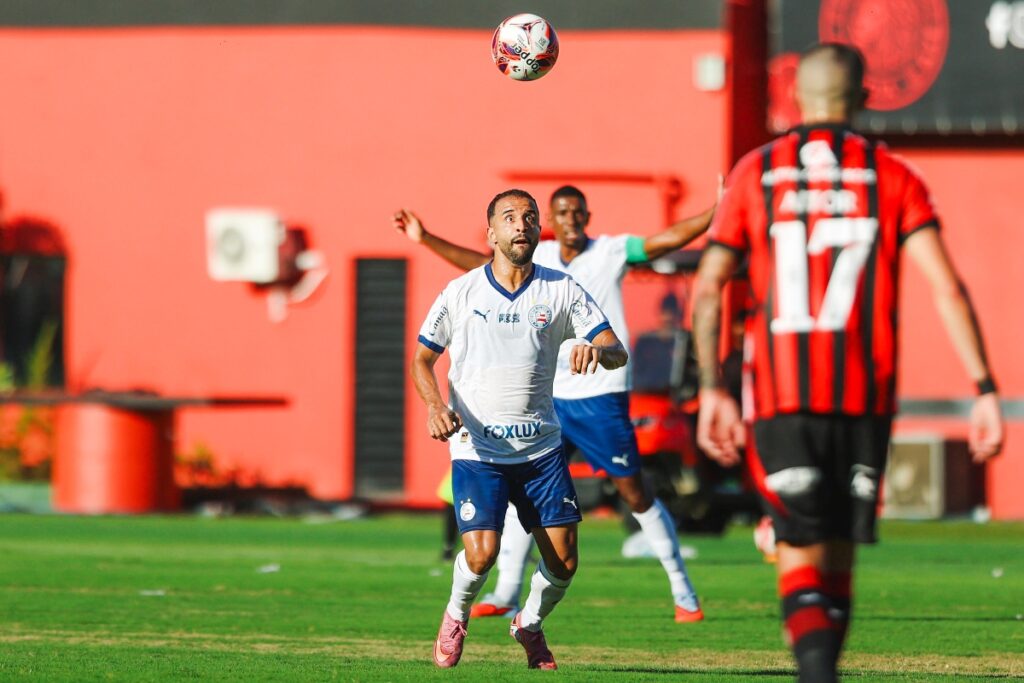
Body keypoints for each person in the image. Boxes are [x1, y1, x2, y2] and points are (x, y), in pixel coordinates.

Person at [691, 43, 1005, 683]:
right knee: (837, 555)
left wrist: (711, 388)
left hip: (780, 399)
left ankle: (816, 673)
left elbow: (708, 286)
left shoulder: (757, 172)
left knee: (799, 550)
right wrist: (984, 388)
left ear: (794, 98)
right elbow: (947, 287)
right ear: (865, 98)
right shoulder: (892, 176)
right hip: (862, 401)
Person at [396, 185, 715, 623]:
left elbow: (666, 240)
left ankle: (683, 591)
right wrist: (426, 238)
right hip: (543, 398)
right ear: (551, 219)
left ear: (587, 216)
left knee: (634, 491)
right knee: (517, 490)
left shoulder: (611, 251)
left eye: (577, 212)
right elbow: (479, 266)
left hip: (598, 393)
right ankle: (507, 593)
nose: (570, 219)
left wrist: (718, 211)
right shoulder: (534, 253)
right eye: (562, 212)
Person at [412, 189, 628, 669]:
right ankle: (456, 614)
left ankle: (528, 624)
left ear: (538, 228)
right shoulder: (461, 292)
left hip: (541, 451)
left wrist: (599, 350)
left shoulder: (562, 290)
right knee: (482, 553)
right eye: (509, 217)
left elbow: (618, 351)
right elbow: (422, 359)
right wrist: (434, 406)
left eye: (529, 217)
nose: (521, 224)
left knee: (564, 563)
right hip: (477, 448)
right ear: (491, 232)